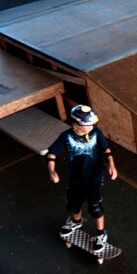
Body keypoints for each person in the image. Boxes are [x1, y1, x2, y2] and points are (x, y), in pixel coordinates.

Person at [47, 105, 118, 252]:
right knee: (73, 205)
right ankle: (75, 222)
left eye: (92, 124)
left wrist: (111, 165)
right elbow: (51, 154)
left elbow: (106, 150)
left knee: (95, 207)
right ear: (77, 124)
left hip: (94, 178)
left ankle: (100, 234)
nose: (91, 126)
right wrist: (52, 171)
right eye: (88, 124)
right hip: (76, 178)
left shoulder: (97, 133)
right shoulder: (66, 136)